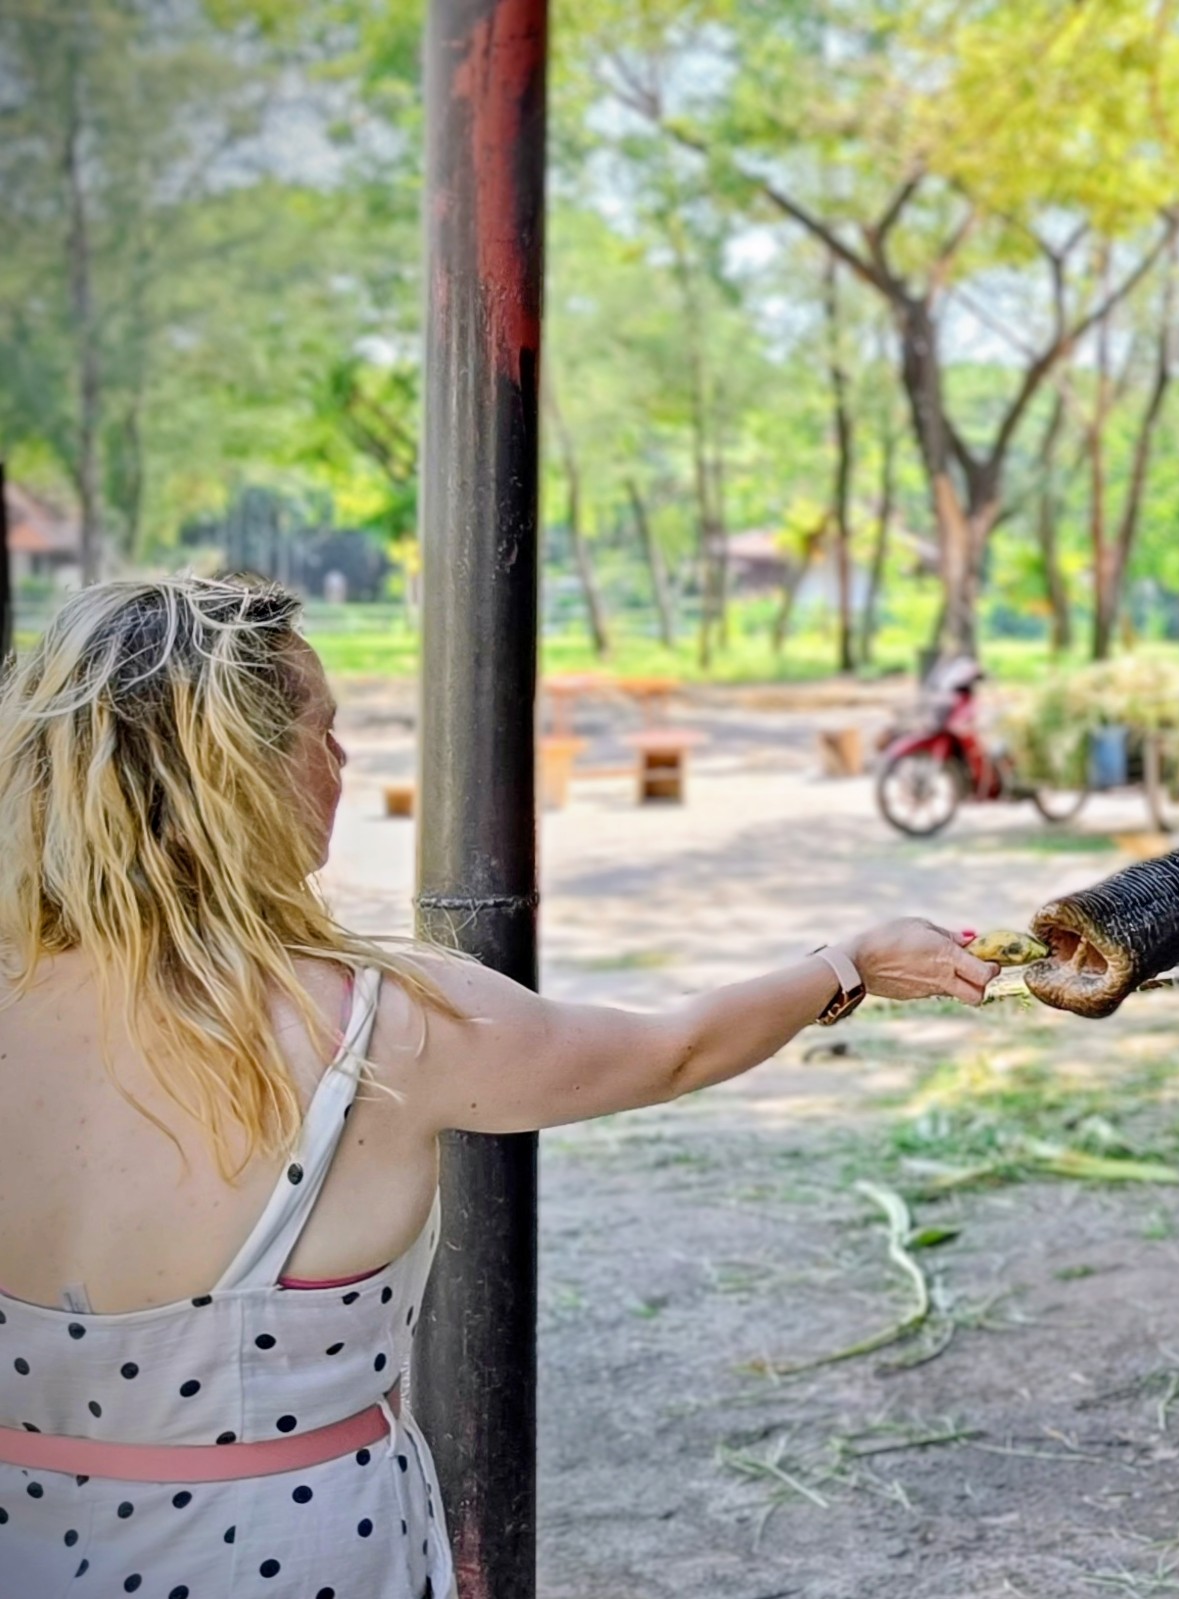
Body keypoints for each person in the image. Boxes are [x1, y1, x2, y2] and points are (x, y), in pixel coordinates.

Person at [0, 577, 999, 1598]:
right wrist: (851, 964)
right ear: (235, 771)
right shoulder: (376, 1027)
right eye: (323, 731)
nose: (342, 762)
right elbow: (674, 1050)